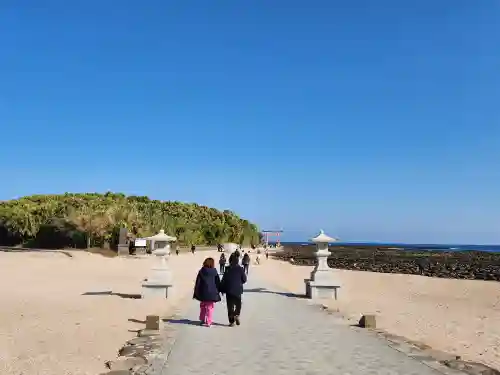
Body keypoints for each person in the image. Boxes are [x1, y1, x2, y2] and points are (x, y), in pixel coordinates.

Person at [193, 257, 221, 327]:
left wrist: (196, 292)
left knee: (202, 306)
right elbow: (217, 282)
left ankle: (202, 319)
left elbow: (198, 283)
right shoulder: (214, 271)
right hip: (212, 292)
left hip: (203, 292)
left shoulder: (201, 271)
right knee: (210, 307)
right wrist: (219, 290)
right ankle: (209, 321)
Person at [220, 254, 247, 326]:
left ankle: (231, 321)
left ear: (230, 261)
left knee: (230, 306)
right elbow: (244, 280)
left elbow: (223, 280)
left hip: (228, 290)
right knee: (238, 304)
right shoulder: (240, 269)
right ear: (237, 261)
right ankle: (236, 314)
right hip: (238, 290)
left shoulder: (227, 269)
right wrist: (239, 282)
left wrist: (222, 289)